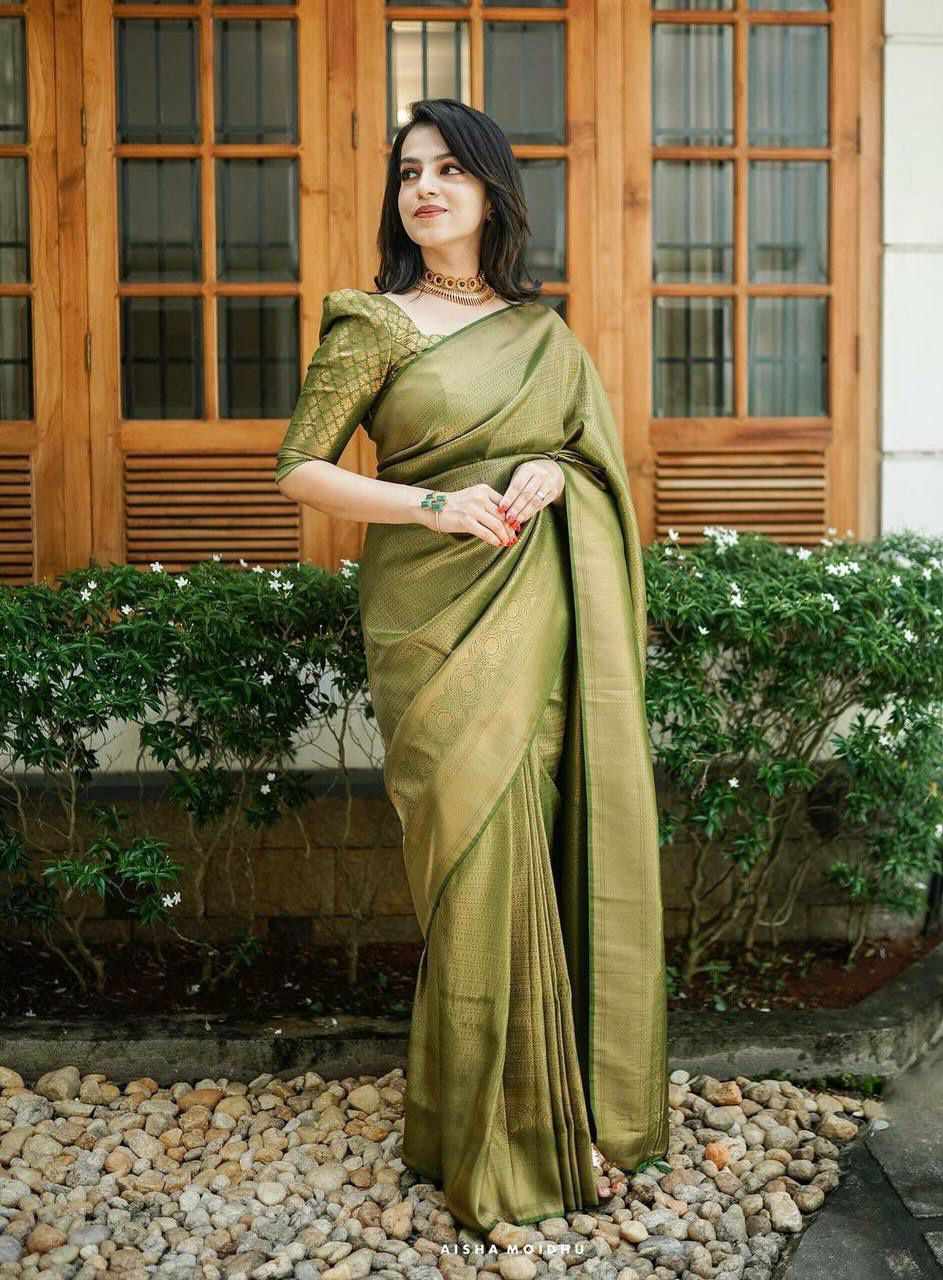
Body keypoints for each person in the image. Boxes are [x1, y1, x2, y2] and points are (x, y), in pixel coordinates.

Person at [275, 97, 669, 1236]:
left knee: (541, 842)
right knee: (474, 858)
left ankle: (561, 1119)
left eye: (450, 169)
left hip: (538, 609)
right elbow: (299, 468)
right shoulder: (374, 323)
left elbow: (587, 461)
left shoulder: (542, 333)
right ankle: (496, 1132)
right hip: (430, 618)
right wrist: (434, 505)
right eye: (409, 172)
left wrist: (554, 472)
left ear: (492, 191)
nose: (426, 189)